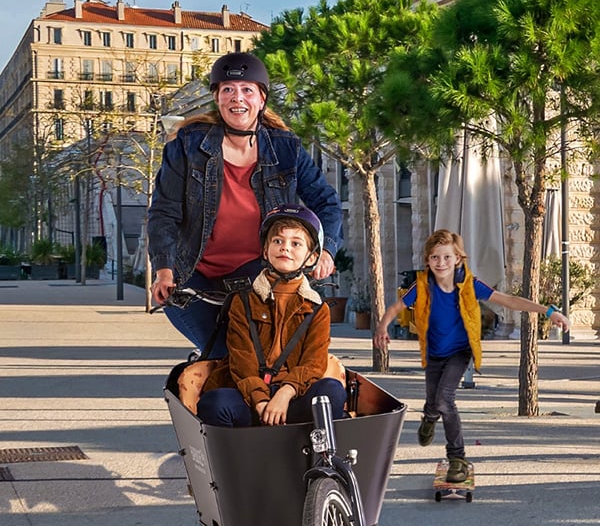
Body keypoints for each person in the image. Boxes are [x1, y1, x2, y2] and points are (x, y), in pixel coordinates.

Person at [147, 52, 343, 357]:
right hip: (193, 279)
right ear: (217, 98)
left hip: (258, 276)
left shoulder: (285, 148)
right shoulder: (187, 146)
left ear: (261, 99)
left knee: (271, 357)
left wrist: (326, 250)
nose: (237, 98)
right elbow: (164, 213)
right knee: (225, 355)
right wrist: (164, 270)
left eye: (247, 90)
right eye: (227, 89)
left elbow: (326, 202)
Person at [373, 229, 570, 483]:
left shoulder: (470, 284)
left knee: (445, 400)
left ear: (458, 259)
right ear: (428, 261)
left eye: (446, 257)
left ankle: (457, 458)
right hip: (434, 354)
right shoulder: (423, 285)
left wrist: (548, 311)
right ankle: (429, 418)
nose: (440, 263)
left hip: (460, 352)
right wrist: (381, 327)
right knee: (434, 402)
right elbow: (396, 307)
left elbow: (508, 300)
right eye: (434, 258)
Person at [195, 205, 347, 427]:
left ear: (312, 257)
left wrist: (285, 394)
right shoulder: (243, 300)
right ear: (265, 251)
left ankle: (320, 458)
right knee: (214, 403)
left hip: (293, 396)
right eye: (277, 241)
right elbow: (241, 359)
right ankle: (235, 459)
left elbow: (313, 364)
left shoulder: (317, 309)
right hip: (250, 397)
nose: (285, 248)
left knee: (331, 392)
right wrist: (260, 400)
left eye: (296, 243)